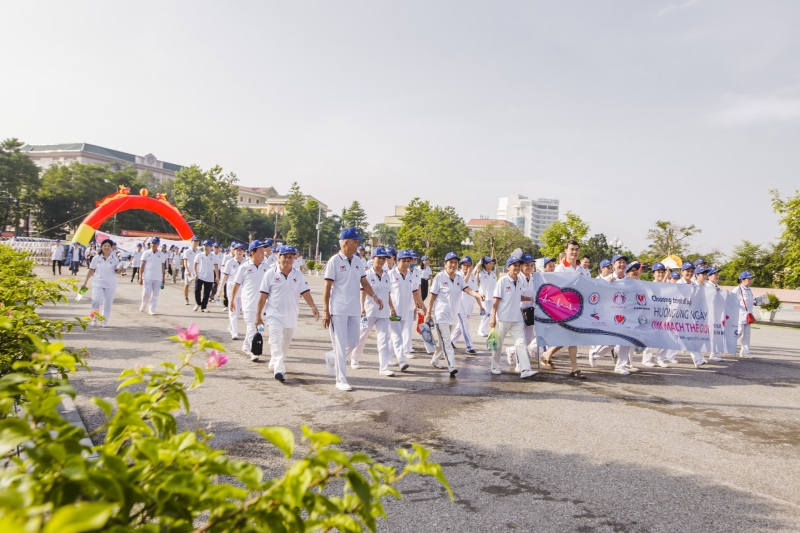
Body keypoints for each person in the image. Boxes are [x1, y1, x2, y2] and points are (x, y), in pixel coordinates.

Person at [322, 228, 384, 392]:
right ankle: (340, 379)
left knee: (353, 342)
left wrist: (374, 296)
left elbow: (364, 282)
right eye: (355, 241)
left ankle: (332, 357)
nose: (357, 245)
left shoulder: (358, 261)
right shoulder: (334, 261)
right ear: (345, 243)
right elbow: (327, 288)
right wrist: (325, 311)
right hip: (338, 309)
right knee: (340, 344)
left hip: (354, 308)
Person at [255, 245, 320, 382]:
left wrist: (313, 306)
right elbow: (263, 297)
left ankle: (274, 363)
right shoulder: (270, 274)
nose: (288, 260)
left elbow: (305, 292)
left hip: (291, 316)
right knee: (275, 342)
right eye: (285, 257)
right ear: (279, 257)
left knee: (284, 345)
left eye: (291, 257)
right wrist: (258, 316)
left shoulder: (298, 274)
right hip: (274, 316)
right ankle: (279, 370)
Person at [428, 252, 483, 377]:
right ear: (445, 264)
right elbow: (432, 296)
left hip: (452, 316)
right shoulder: (439, 277)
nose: (453, 265)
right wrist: (428, 313)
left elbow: (468, 289)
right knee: (447, 341)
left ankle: (435, 360)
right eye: (451, 262)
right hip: (441, 315)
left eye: (455, 263)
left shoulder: (459, 279)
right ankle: (452, 366)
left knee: (443, 342)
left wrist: (478, 295)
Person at [541, 241, 590, 378]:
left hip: (579, 307)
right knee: (573, 337)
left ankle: (547, 354)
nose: (574, 252)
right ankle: (574, 369)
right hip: (565, 308)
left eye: (577, 249)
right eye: (572, 249)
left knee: (571, 336)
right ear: (566, 250)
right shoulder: (560, 269)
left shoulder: (582, 269)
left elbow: (589, 285)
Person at [488, 256, 538, 379]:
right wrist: (492, 317)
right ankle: (494, 366)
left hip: (517, 318)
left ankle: (525, 369)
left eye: (518, 265)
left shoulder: (520, 281)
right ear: (508, 267)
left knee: (521, 343)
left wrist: (529, 298)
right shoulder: (502, 281)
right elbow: (496, 300)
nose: (517, 267)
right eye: (514, 265)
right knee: (499, 343)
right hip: (503, 318)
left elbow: (518, 295)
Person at [351, 247, 398, 375]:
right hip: (369, 311)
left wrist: (392, 308)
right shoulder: (367, 274)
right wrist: (362, 307)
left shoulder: (387, 275)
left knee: (383, 340)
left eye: (384, 258)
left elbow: (388, 294)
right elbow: (362, 292)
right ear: (373, 259)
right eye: (379, 258)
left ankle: (384, 367)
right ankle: (355, 358)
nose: (381, 260)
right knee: (362, 336)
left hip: (383, 313)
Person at [230, 240, 272, 361]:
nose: (263, 254)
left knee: (259, 327)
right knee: (251, 326)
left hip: (262, 305)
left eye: (264, 251)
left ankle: (246, 345)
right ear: (252, 253)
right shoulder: (244, 267)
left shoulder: (267, 268)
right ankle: (253, 351)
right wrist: (232, 300)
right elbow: (236, 284)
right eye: (260, 251)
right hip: (248, 303)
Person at [388, 250, 426, 364]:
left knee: (396, 335)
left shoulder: (410, 275)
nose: (406, 263)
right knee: (397, 335)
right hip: (393, 311)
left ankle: (387, 358)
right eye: (403, 261)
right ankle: (401, 360)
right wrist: (391, 308)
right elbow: (386, 293)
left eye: (408, 261)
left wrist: (423, 306)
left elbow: (415, 292)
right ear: (397, 261)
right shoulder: (390, 274)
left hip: (405, 311)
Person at [79, 238, 122, 327]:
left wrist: (121, 269)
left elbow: (117, 272)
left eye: (108, 246)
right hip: (98, 283)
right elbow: (91, 270)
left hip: (110, 284)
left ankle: (104, 320)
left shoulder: (115, 258)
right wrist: (85, 282)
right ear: (101, 247)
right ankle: (94, 318)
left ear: (111, 247)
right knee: (96, 301)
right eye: (104, 246)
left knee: (107, 303)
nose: (106, 247)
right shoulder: (96, 258)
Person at [672, 261, 707, 368]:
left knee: (689, 337)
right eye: (687, 271)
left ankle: (697, 358)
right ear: (682, 271)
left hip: (688, 315)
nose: (690, 273)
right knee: (684, 338)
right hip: (677, 315)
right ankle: (696, 357)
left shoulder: (693, 284)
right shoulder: (679, 284)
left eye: (692, 271)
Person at [506, 253, 537, 366]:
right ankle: (520, 366)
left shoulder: (534, 278)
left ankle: (511, 350)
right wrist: (529, 298)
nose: (529, 267)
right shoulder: (518, 278)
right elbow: (515, 295)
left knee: (528, 340)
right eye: (527, 265)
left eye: (531, 265)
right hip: (519, 312)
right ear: (521, 266)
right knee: (521, 340)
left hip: (531, 312)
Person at [450, 256, 483, 354]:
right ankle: (469, 347)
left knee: (460, 327)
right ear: (461, 266)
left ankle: (451, 342)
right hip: (459, 305)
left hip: (469, 306)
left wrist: (481, 306)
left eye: (468, 265)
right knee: (465, 326)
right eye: (464, 265)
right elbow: (462, 285)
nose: (466, 267)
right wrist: (468, 273)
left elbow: (475, 292)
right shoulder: (457, 275)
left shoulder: (473, 277)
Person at [642, 262, 670, 368]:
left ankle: (660, 358)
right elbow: (658, 290)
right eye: (658, 272)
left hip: (664, 314)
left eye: (663, 272)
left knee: (665, 337)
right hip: (652, 314)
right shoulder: (650, 285)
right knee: (650, 337)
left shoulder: (669, 285)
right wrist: (666, 277)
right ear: (653, 273)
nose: (661, 274)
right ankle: (646, 359)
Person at [220, 243, 246, 340]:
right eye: (237, 250)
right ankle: (235, 332)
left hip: (243, 290)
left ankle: (231, 326)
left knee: (238, 311)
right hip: (231, 290)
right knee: (233, 311)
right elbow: (225, 277)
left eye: (241, 250)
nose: (239, 252)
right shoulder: (229, 262)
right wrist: (219, 290)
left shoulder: (247, 263)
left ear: (244, 252)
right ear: (234, 251)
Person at [138, 237, 167, 316]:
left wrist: (163, 278)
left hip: (158, 277)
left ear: (158, 244)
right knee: (146, 293)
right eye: (152, 243)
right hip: (147, 276)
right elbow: (142, 265)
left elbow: (163, 266)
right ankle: (143, 304)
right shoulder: (146, 253)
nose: (153, 245)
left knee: (154, 295)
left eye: (155, 243)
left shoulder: (161, 254)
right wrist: (140, 277)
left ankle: (151, 310)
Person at [732, 271, 756, 359]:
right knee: (738, 332)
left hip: (748, 315)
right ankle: (724, 344)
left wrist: (757, 302)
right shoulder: (737, 289)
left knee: (747, 334)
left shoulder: (749, 289)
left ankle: (745, 352)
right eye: (748, 279)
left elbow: (751, 301)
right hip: (739, 314)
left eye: (751, 279)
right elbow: (732, 301)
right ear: (742, 280)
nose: (750, 281)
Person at [192, 240, 218, 312]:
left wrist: (217, 276)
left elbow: (216, 266)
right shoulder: (199, 255)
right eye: (204, 245)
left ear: (210, 247)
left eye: (207, 246)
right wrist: (195, 274)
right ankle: (198, 303)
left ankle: (203, 307)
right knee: (197, 290)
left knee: (206, 293)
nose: (205, 247)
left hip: (209, 277)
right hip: (200, 275)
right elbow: (195, 265)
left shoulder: (213, 256)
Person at [476, 257, 497, 336]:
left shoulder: (493, 274)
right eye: (490, 263)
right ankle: (481, 330)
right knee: (486, 313)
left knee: (490, 314)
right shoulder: (481, 273)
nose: (492, 265)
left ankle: (484, 330)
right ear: (485, 264)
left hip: (492, 296)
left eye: (492, 263)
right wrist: (477, 271)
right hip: (483, 297)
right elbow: (476, 282)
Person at [182, 237, 199, 305]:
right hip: (189, 271)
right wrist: (187, 270)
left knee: (197, 287)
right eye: (195, 241)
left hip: (196, 272)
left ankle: (197, 301)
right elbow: (185, 262)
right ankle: (186, 298)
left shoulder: (199, 252)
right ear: (192, 242)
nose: (196, 242)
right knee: (186, 285)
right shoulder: (187, 251)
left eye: (197, 241)